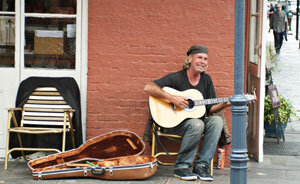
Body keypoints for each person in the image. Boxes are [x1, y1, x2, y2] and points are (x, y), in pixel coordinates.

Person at [144, 44, 231, 181]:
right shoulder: (177, 78)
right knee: (197, 124)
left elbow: (210, 108)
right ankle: (182, 167)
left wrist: (225, 103)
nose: (203, 61)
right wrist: (172, 98)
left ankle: (201, 166)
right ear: (190, 59)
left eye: (206, 59)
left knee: (216, 121)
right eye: (200, 57)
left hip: (196, 124)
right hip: (173, 124)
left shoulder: (206, 80)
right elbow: (149, 87)